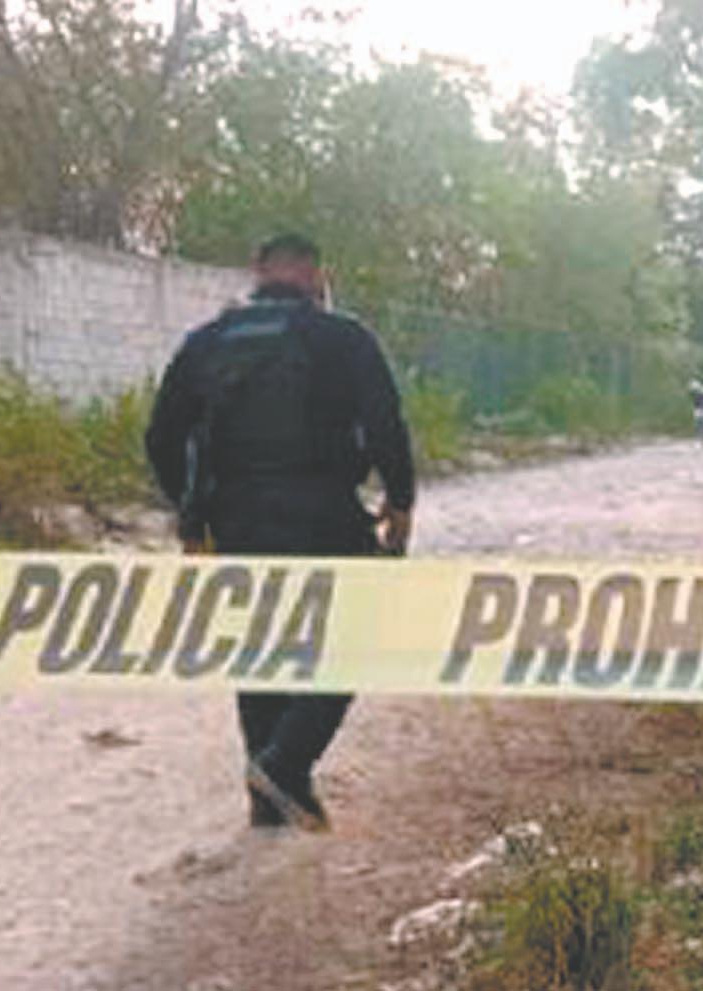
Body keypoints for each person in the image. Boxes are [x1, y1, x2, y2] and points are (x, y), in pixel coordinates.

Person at [144, 233, 416, 831]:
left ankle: (269, 801)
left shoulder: (207, 341)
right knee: (357, 637)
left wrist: (192, 514)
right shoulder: (343, 337)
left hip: (235, 516)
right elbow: (385, 425)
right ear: (316, 276)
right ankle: (286, 764)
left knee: (259, 646)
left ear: (258, 271)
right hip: (323, 510)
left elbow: (162, 437)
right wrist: (400, 502)